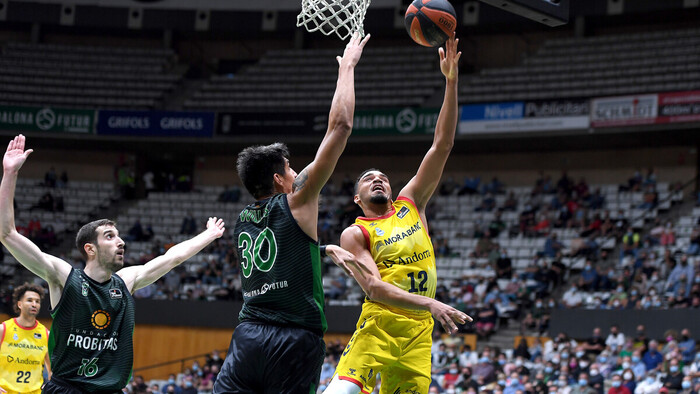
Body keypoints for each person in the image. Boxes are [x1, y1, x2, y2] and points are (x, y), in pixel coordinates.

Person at [0, 134, 226, 393]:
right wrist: (9, 173)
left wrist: (209, 235)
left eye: (119, 236)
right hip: (67, 389)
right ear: (90, 249)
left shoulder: (126, 281)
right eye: (110, 236)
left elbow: (172, 258)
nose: (120, 242)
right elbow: (7, 234)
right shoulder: (64, 277)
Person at [213, 33, 371, 394]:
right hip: (294, 338)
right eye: (290, 168)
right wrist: (347, 65)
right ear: (278, 180)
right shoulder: (297, 199)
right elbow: (341, 127)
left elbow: (282, 250)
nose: (297, 173)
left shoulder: (242, 221)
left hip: (248, 337)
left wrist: (322, 249)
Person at [323, 34, 471, 394]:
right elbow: (374, 287)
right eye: (368, 179)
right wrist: (431, 302)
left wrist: (451, 82)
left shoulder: (411, 203)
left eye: (383, 177)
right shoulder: (355, 233)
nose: (378, 180)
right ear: (357, 198)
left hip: (419, 336)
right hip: (380, 326)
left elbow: (442, 145)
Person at [0, 283, 52, 394]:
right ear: (19, 304)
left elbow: (52, 370)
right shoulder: (3, 329)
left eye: (37, 301)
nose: (34, 304)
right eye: (29, 300)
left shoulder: (46, 334)